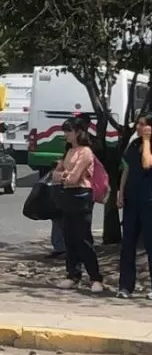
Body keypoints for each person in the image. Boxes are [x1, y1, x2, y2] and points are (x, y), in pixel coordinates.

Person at [52, 116, 104, 292]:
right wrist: (64, 175)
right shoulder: (68, 151)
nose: (66, 134)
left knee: (83, 237)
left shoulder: (85, 152)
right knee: (69, 236)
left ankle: (95, 277)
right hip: (68, 195)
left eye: (69, 131)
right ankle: (73, 274)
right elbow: (56, 175)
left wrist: (64, 176)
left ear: (79, 132)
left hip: (82, 194)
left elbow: (74, 178)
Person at [117, 113, 152, 299]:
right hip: (132, 200)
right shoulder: (133, 144)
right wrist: (120, 192)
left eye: (142, 124)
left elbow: (147, 163)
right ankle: (125, 285)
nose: (138, 127)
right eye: (138, 124)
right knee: (128, 244)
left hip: (148, 201)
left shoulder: (147, 144)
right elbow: (127, 169)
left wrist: (147, 141)